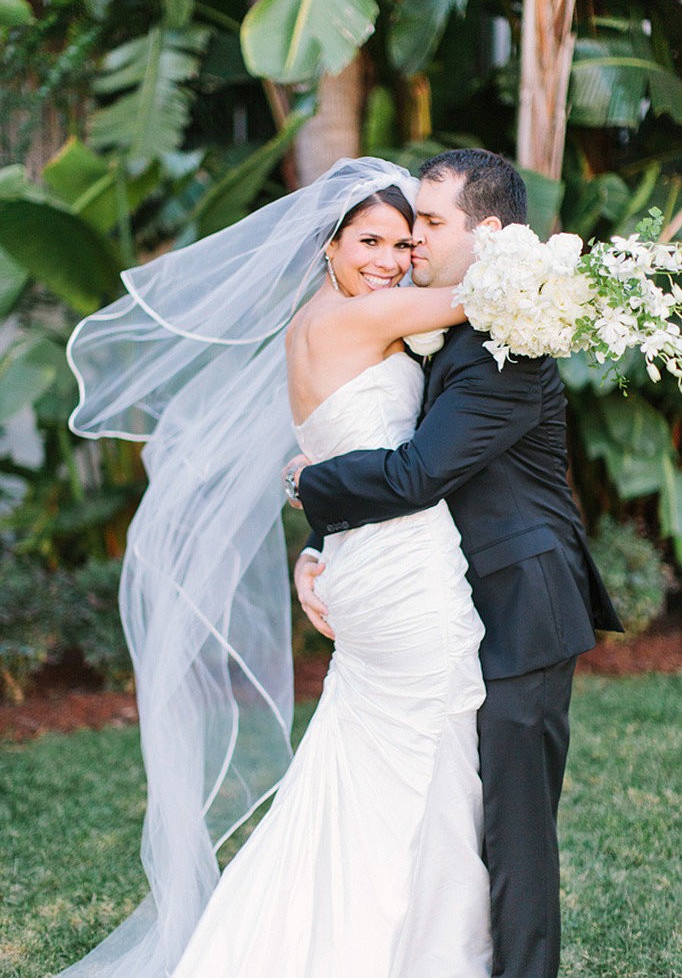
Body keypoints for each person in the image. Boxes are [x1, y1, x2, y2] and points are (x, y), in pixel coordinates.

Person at [62, 157, 492, 978]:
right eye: (369, 241)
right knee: (428, 756)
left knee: (358, 763)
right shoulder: (359, 319)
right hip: (402, 569)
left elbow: (323, 457)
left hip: (358, 564)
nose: (390, 260)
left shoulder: (315, 323)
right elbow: (489, 294)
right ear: (328, 245)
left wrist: (313, 545)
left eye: (404, 242)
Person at [287, 148, 623, 978]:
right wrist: (320, 545)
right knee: (455, 813)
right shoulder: (441, 333)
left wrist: (305, 487)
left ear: (489, 234)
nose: (412, 245)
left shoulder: (507, 345)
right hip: (442, 598)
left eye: (429, 225)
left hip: (520, 604)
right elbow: (376, 439)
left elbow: (416, 474)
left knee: (513, 831)